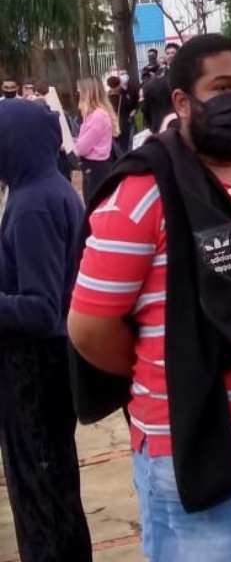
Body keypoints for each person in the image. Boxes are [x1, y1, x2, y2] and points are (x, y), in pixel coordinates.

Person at [68, 34, 231, 560]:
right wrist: (167, 369)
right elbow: (90, 328)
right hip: (195, 452)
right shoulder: (141, 193)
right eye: (224, 87)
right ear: (184, 102)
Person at [0, 99, 92, 562]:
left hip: (35, 368)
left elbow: (39, 309)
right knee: (55, 486)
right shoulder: (46, 188)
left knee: (40, 496)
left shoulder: (32, 204)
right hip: (51, 362)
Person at [75, 76, 119, 205]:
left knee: (94, 207)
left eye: (79, 91)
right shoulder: (92, 115)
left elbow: (82, 148)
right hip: (91, 167)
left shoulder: (98, 116)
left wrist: (71, 144)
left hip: (97, 168)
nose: (78, 94)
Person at [106, 72, 138, 155]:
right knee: (125, 146)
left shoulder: (106, 100)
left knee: (114, 148)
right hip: (123, 124)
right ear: (119, 84)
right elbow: (130, 106)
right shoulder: (123, 98)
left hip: (111, 126)